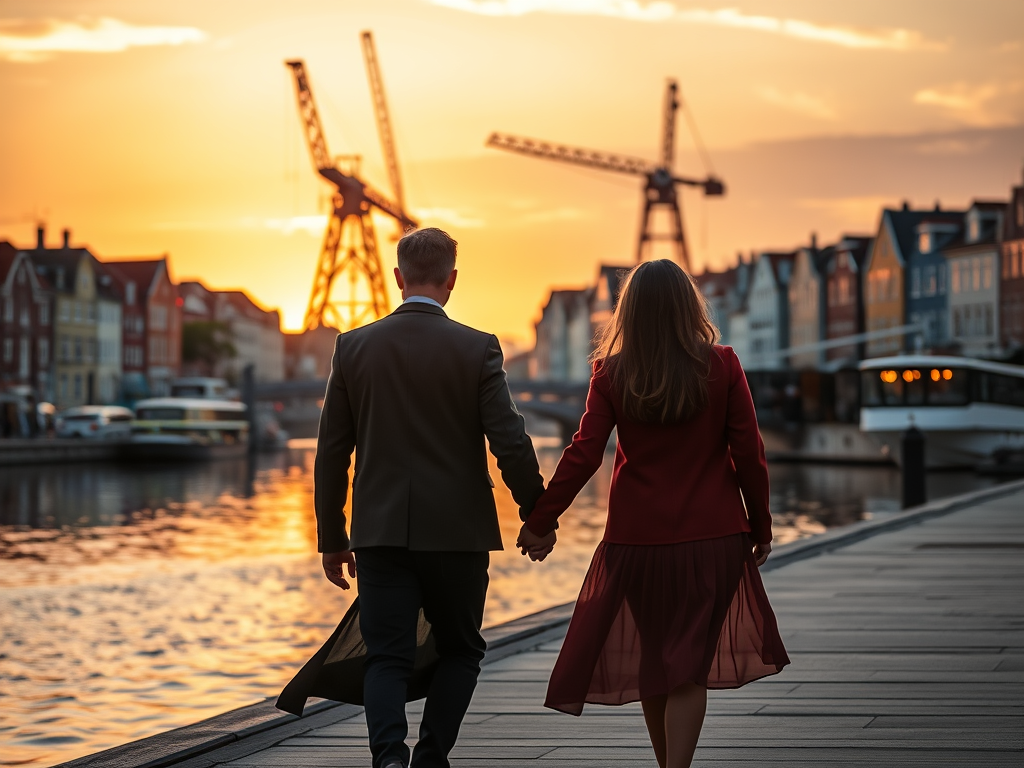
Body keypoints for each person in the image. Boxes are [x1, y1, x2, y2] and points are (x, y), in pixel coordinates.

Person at [518, 259, 790, 768]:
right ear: (690, 307)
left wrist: (541, 520)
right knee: (688, 666)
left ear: (630, 312)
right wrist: (761, 526)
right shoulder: (723, 365)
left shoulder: (613, 372)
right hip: (714, 536)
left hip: (635, 542)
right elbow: (749, 454)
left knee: (657, 658)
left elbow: (583, 451)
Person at [314, 227, 546, 768]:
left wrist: (332, 536)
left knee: (386, 656)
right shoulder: (478, 347)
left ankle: (388, 758)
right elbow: (508, 438)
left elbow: (331, 452)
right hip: (459, 532)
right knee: (462, 649)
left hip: (379, 531)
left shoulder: (352, 347)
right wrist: (538, 513)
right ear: (452, 280)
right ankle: (432, 757)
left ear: (398, 278)